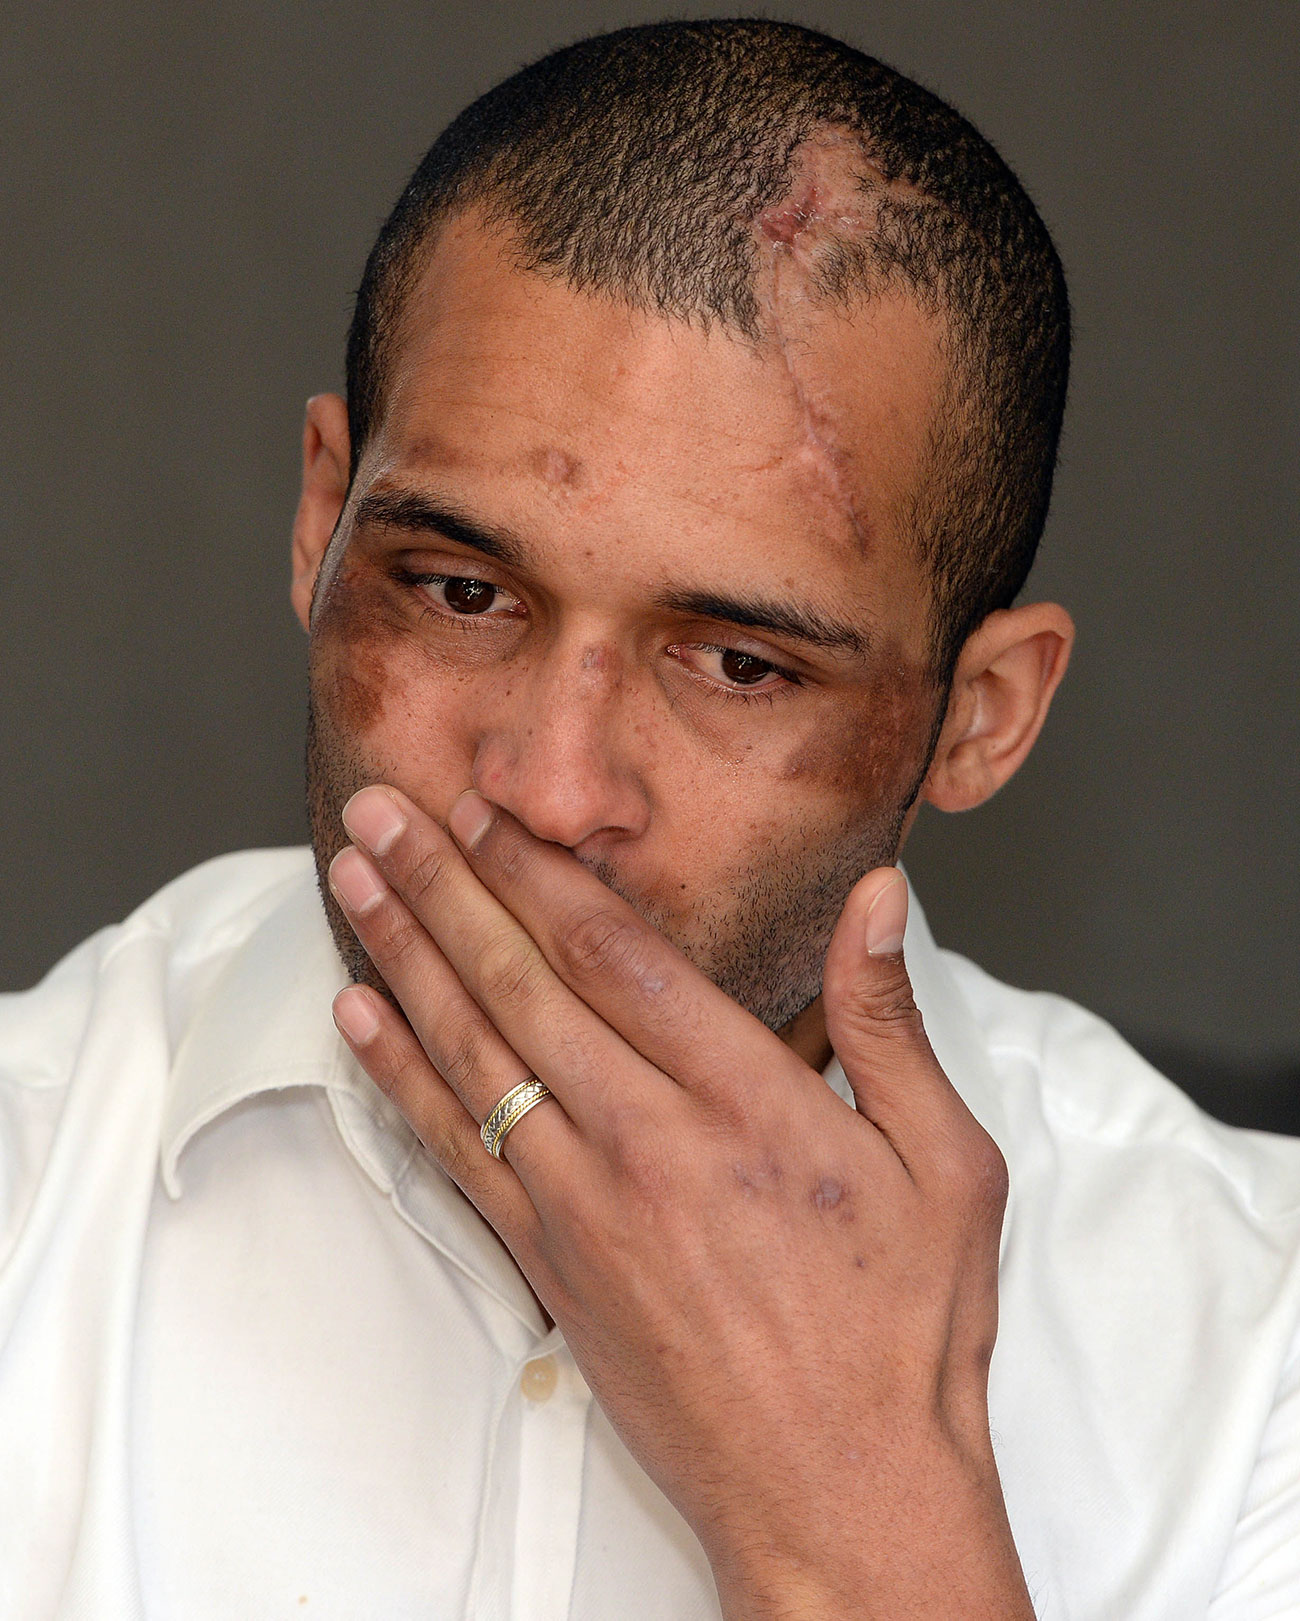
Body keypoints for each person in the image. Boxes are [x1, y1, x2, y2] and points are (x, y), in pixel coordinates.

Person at [2, 17, 1298, 1619]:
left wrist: (855, 1521)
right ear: (321, 524)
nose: (549, 789)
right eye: (462, 590)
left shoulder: (1258, 1368)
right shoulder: (31, 1174)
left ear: (986, 714)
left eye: (742, 663)